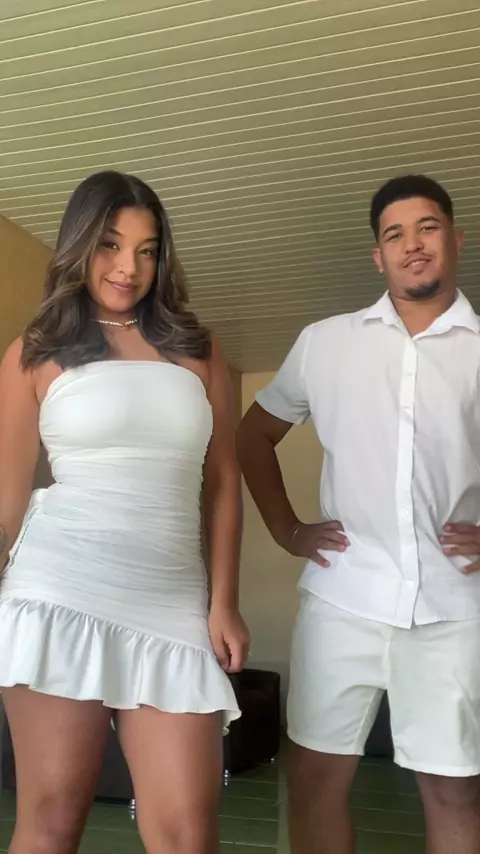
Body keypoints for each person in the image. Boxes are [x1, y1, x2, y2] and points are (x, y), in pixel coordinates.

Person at [0, 170, 249, 854]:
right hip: (59, 591)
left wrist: (224, 602)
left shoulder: (198, 350)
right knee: (52, 821)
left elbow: (224, 481)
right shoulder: (34, 353)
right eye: (111, 244)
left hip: (173, 605)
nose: (128, 268)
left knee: (188, 834)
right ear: (80, 244)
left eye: (147, 250)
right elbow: (7, 504)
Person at [237, 174, 480, 854]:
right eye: (394, 234)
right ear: (378, 256)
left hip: (454, 601)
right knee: (314, 776)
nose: (412, 244)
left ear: (456, 239)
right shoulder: (326, 342)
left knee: (456, 787)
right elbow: (252, 435)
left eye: (427, 227)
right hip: (343, 594)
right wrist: (287, 530)